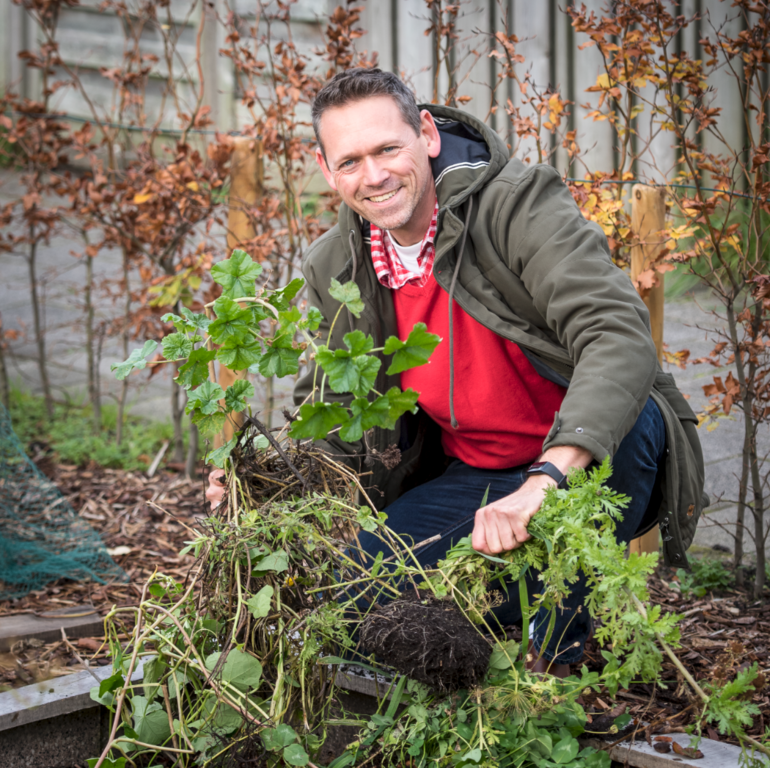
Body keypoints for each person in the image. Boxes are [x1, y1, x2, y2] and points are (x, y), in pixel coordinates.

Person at [208, 68, 706, 677]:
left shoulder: (517, 205)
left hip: (592, 454)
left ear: (426, 134)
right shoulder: (337, 263)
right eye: (351, 160)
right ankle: (499, 621)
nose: (374, 176)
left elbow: (616, 334)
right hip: (481, 474)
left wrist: (544, 482)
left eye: (388, 148)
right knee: (343, 603)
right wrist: (267, 486)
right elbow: (336, 409)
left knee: (619, 438)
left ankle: (556, 661)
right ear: (325, 167)